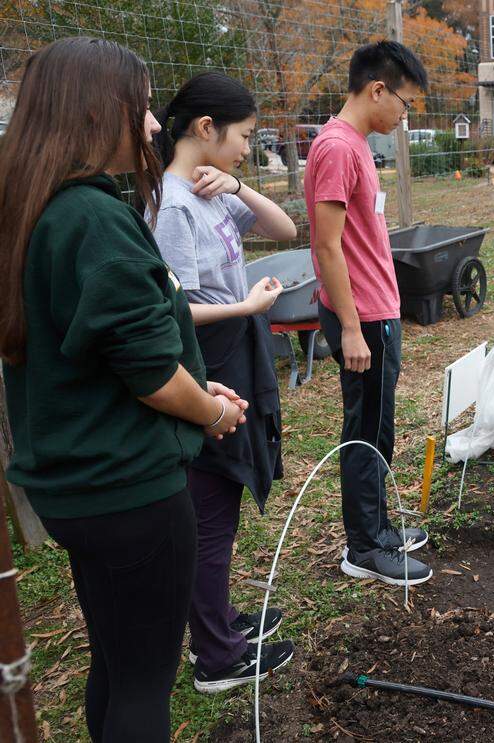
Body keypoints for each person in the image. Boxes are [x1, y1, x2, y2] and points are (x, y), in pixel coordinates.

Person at [0, 37, 247, 740]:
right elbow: (150, 377)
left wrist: (193, 381)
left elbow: (106, 350)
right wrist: (211, 409)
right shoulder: (95, 220)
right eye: (138, 107)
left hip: (78, 487)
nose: (150, 126)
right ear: (92, 111)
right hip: (129, 489)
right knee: (145, 684)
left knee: (116, 662)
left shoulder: (36, 209)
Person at [152, 71, 297, 693]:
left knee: (222, 509)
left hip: (235, 355)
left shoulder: (209, 192)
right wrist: (244, 309)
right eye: (242, 137)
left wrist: (236, 183)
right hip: (207, 366)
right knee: (210, 513)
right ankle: (215, 654)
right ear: (206, 129)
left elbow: (286, 230)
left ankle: (223, 622)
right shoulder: (171, 206)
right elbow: (171, 308)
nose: (246, 147)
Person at [305, 40, 433, 584]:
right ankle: (365, 547)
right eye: (405, 104)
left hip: (376, 312)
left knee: (378, 427)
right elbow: (328, 246)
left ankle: (378, 526)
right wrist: (353, 328)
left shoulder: (353, 146)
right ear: (377, 89)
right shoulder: (337, 148)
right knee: (364, 430)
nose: (405, 117)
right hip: (364, 320)